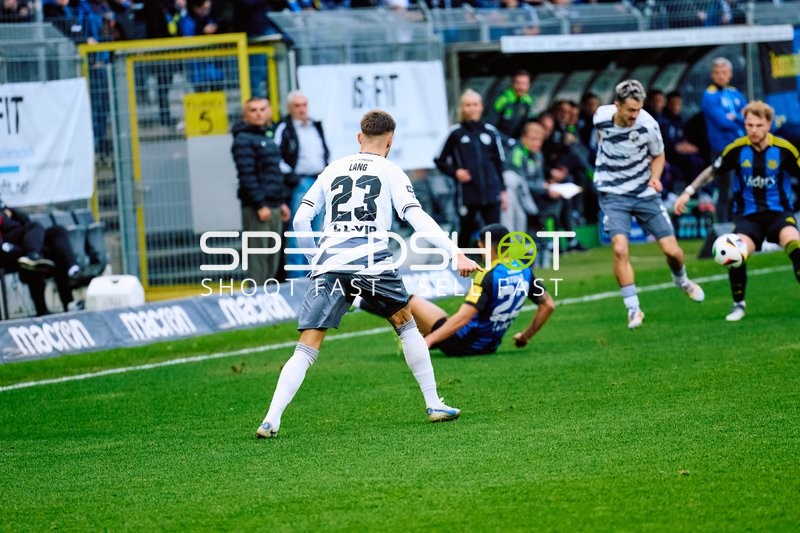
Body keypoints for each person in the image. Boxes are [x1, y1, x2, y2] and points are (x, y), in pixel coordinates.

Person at [256, 110, 482, 439]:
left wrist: (316, 260)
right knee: (406, 324)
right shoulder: (391, 170)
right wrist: (454, 251)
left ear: (359, 137)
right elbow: (415, 216)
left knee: (306, 346)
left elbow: (301, 220)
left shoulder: (332, 169)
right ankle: (433, 403)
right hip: (372, 260)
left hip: (330, 263)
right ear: (390, 141)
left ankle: (270, 419)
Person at [674, 101, 800, 322]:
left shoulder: (784, 150)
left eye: (758, 125)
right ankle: (738, 304)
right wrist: (688, 192)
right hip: (748, 216)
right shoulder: (737, 149)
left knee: (795, 245)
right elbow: (712, 171)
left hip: (779, 214)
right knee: (734, 253)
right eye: (749, 125)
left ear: (769, 124)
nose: (753, 130)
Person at [594, 79, 705, 329]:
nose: (635, 114)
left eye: (638, 109)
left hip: (645, 193)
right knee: (620, 249)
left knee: (673, 252)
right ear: (617, 105)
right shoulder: (600, 116)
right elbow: (602, 137)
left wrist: (655, 178)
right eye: (630, 110)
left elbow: (659, 155)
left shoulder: (648, 125)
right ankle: (633, 308)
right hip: (613, 194)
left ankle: (682, 281)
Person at [359, 223, 555, 355]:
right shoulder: (524, 270)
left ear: (484, 245)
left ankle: (359, 301)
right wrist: (525, 337)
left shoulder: (487, 275)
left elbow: (463, 318)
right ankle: (417, 332)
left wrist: (429, 342)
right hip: (490, 345)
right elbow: (548, 305)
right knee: (434, 316)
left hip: (462, 343)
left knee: (407, 300)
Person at [434, 89, 507, 248]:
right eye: (468, 105)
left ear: (481, 107)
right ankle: (461, 260)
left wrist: (503, 191)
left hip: (491, 192)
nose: (472, 108)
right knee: (465, 230)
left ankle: (495, 262)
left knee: (494, 232)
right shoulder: (456, 132)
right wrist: (456, 172)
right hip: (467, 193)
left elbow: (499, 163)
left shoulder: (490, 131)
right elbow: (439, 160)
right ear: (462, 108)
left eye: (475, 104)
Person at [231, 96, 289, 285]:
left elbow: (273, 173)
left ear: (270, 111)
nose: (258, 113)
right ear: (245, 115)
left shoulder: (266, 136)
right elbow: (247, 176)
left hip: (274, 205)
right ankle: (254, 298)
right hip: (258, 209)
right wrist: (260, 205)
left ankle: (268, 299)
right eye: (253, 110)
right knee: (258, 261)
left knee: (272, 261)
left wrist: (281, 203)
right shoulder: (243, 139)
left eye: (262, 109)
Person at [274, 90, 330, 278]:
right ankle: (296, 279)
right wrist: (293, 177)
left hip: (319, 181)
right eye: (297, 106)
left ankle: (314, 276)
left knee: (317, 231)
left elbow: (323, 151)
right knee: (299, 230)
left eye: (304, 105)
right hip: (301, 183)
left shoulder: (315, 126)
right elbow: (275, 156)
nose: (301, 109)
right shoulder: (284, 127)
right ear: (290, 108)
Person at [702, 57, 746, 222]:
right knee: (725, 189)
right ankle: (723, 225)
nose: (721, 76)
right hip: (722, 149)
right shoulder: (709, 95)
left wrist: (736, 117)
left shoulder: (735, 93)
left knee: (741, 187)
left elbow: (748, 116)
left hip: (741, 147)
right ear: (712, 74)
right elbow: (722, 122)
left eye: (724, 72)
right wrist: (739, 119)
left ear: (730, 74)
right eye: (717, 72)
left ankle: (741, 224)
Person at [490, 70, 535, 142]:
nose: (521, 87)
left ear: (529, 85)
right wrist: (507, 141)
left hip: (516, 142)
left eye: (524, 84)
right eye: (518, 83)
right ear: (512, 84)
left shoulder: (528, 101)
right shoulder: (502, 99)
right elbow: (491, 125)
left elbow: (526, 125)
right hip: (498, 140)